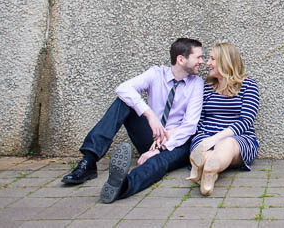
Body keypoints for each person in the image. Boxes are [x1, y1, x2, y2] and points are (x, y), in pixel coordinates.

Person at [60, 37, 205, 203]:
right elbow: (123, 88)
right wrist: (149, 114)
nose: (202, 61)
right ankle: (89, 161)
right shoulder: (156, 74)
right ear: (181, 59)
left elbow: (190, 125)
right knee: (124, 102)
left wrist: (160, 148)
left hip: (177, 142)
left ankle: (122, 186)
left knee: (159, 162)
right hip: (151, 136)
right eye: (198, 57)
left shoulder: (196, 84)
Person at [187, 41, 260, 195]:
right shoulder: (206, 87)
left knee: (227, 144)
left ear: (225, 61)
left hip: (239, 139)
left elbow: (246, 121)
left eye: (212, 59)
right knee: (203, 148)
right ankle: (210, 174)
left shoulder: (248, 85)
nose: (207, 63)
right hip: (206, 136)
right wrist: (203, 138)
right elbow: (199, 118)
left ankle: (204, 169)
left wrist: (214, 139)